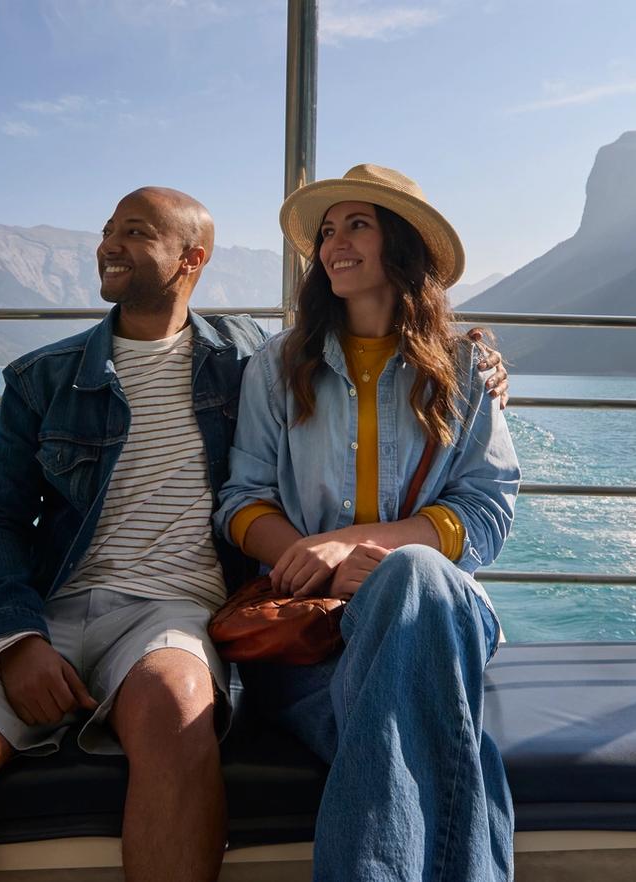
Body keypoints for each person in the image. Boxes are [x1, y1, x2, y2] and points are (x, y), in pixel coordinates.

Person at [0, 185, 510, 882]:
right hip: (83, 608)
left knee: (389, 594)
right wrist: (15, 638)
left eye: (135, 232)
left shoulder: (248, 359)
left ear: (191, 259)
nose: (108, 245)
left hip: (183, 615)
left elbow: (486, 501)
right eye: (327, 231)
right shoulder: (62, 378)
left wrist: (471, 362)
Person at [216, 164, 521, 881]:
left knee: (414, 575)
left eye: (358, 225)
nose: (334, 244)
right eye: (328, 231)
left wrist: (357, 548)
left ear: (403, 245)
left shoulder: (464, 368)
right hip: (310, 633)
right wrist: (312, 561)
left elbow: (487, 508)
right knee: (420, 734)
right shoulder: (277, 365)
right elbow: (241, 500)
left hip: (435, 616)